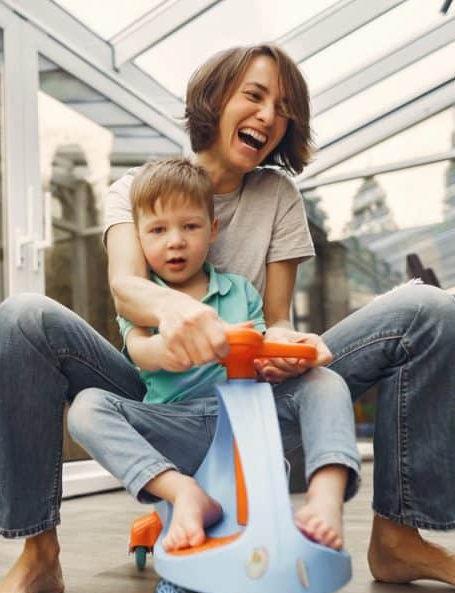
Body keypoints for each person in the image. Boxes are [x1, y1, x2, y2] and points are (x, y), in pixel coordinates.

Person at [0, 43, 455, 593]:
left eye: (281, 107)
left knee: (429, 307)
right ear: (215, 98)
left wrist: (286, 351)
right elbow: (127, 288)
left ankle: (400, 541)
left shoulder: (278, 195)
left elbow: (275, 316)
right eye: (253, 96)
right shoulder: (135, 189)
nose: (267, 115)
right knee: (21, 316)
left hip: (250, 392)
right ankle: (38, 557)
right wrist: (174, 314)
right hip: (154, 385)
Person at [67, 157, 360, 553]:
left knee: (325, 382)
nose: (175, 241)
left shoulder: (240, 292)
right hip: (174, 424)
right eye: (157, 230)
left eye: (190, 226)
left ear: (212, 229)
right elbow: (139, 351)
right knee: (86, 407)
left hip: (245, 419)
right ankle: (182, 492)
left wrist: (286, 356)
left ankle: (325, 496)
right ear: (138, 237)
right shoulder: (143, 301)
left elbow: (261, 349)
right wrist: (165, 349)